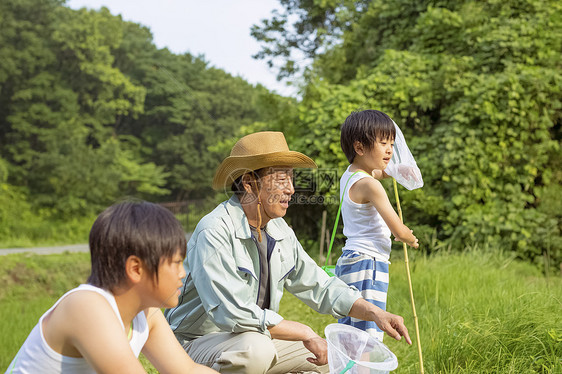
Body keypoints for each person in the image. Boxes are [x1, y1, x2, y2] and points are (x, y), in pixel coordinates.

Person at [164, 131, 412, 374]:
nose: (291, 189)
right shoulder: (214, 231)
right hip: (194, 345)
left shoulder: (279, 230)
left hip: (254, 338)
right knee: (256, 352)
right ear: (250, 183)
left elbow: (320, 285)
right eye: (281, 180)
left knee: (335, 358)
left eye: (291, 179)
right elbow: (232, 314)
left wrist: (375, 312)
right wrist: (304, 331)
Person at [5, 201, 217, 374]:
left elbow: (186, 369)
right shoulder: (86, 306)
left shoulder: (146, 314)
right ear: (136, 269)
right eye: (176, 262)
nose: (182, 273)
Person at [336, 110, 419, 342]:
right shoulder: (370, 185)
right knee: (366, 338)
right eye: (383, 143)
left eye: (392, 143)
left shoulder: (350, 175)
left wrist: (394, 171)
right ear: (360, 148)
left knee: (352, 332)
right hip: (368, 264)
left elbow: (378, 172)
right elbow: (398, 230)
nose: (390, 150)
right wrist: (410, 238)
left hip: (353, 259)